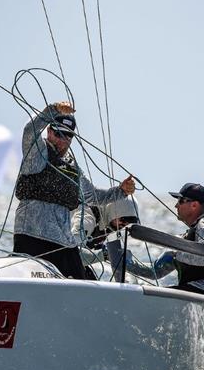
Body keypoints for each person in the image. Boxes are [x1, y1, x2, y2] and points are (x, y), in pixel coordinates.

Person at [13, 102, 136, 279]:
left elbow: (93, 196)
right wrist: (52, 110)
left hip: (63, 241)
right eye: (58, 134)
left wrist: (121, 191)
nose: (62, 141)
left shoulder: (73, 169)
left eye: (68, 136)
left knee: (83, 281)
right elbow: (29, 131)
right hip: (32, 236)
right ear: (49, 132)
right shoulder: (38, 155)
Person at [144, 183, 204, 300]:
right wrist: (121, 259)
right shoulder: (188, 236)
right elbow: (153, 272)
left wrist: (177, 253)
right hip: (194, 293)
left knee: (153, 298)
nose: (176, 205)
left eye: (181, 201)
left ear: (194, 205)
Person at [72, 197, 152, 280]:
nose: (125, 225)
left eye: (131, 221)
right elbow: (71, 254)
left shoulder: (108, 223)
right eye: (124, 219)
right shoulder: (86, 220)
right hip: (62, 261)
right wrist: (105, 254)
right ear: (113, 213)